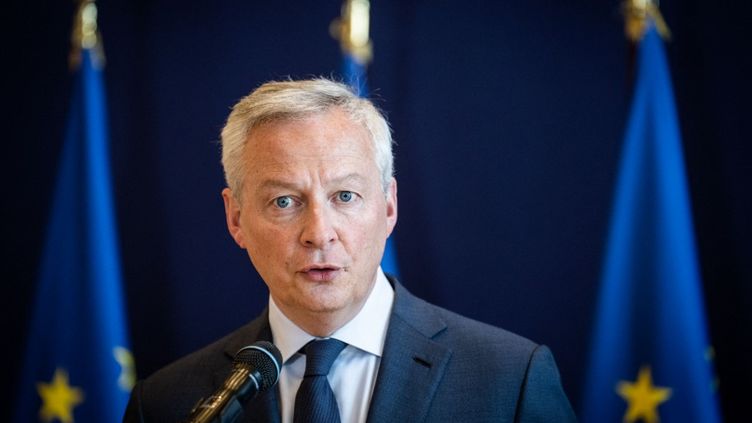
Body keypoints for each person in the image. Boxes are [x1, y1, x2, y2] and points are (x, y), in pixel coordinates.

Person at [123, 78, 577, 422]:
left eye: (345, 196)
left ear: (389, 206)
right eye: (284, 201)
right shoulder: (166, 402)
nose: (319, 233)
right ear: (236, 218)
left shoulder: (509, 380)